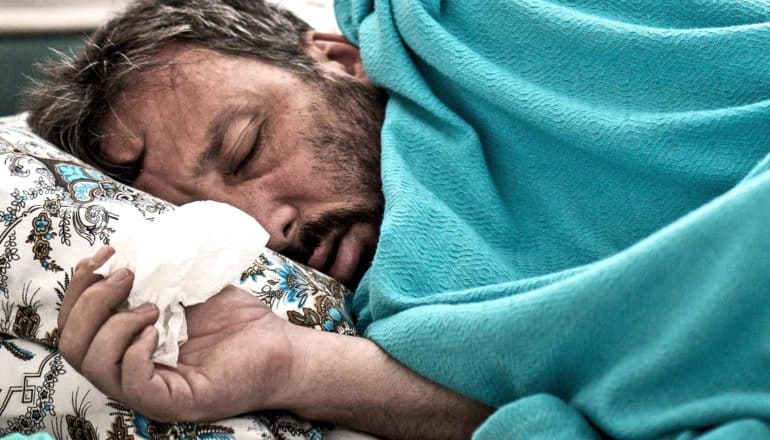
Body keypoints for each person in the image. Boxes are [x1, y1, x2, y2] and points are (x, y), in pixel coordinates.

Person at [26, 0, 770, 438]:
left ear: (339, 59)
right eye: (209, 218)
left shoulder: (467, 30)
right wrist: (291, 364)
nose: (264, 226)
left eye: (248, 149)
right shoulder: (395, 324)